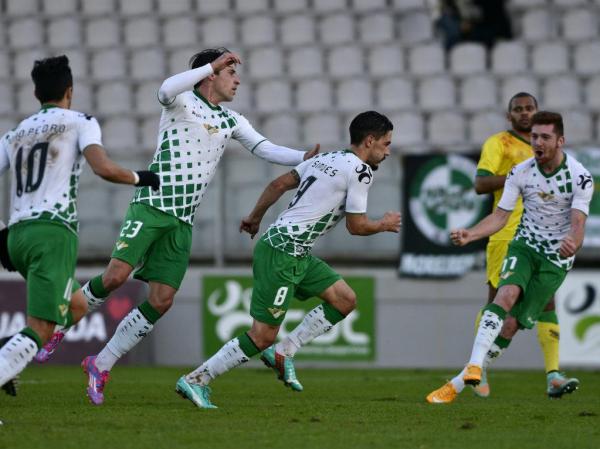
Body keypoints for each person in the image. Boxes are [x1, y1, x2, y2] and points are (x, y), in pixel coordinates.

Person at [35, 48, 319, 405]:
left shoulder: (231, 120)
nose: (237, 79)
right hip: (151, 206)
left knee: (162, 299)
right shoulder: (180, 100)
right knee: (115, 277)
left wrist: (302, 157)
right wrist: (210, 65)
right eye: (230, 72)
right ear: (210, 75)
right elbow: (165, 88)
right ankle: (58, 327)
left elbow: (265, 148)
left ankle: (100, 362)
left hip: (182, 221)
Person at [175, 110, 401, 409]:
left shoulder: (324, 159)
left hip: (294, 249)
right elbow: (356, 227)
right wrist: (383, 224)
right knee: (261, 336)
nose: (387, 152)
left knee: (345, 300)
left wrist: (255, 218)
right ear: (369, 141)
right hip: (284, 251)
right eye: (385, 144)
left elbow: (278, 184)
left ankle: (286, 350)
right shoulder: (360, 171)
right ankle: (196, 380)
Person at [0, 55, 160, 391]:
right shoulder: (79, 121)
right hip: (52, 232)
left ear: (36, 93)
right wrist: (141, 177)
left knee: (76, 305)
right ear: (69, 91)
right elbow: (103, 168)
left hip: (17, 235)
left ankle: (11, 364)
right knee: (41, 327)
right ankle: (6, 364)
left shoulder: (15, 133)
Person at [426, 111, 594, 403]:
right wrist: (472, 234)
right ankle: (476, 365)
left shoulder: (579, 177)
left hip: (555, 261)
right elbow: (501, 216)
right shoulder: (521, 171)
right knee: (504, 296)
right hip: (525, 247)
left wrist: (573, 243)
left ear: (560, 140)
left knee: (512, 325)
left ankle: (457, 383)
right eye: (534, 136)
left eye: (545, 137)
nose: (537, 142)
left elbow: (578, 226)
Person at [471, 92, 577, 399]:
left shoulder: (545, 151)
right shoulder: (500, 144)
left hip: (542, 236)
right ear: (509, 116)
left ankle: (553, 375)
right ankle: (479, 367)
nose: (524, 113)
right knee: (497, 299)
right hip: (506, 235)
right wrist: (518, 175)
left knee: (547, 301)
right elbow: (480, 183)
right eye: (518, 110)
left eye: (529, 108)